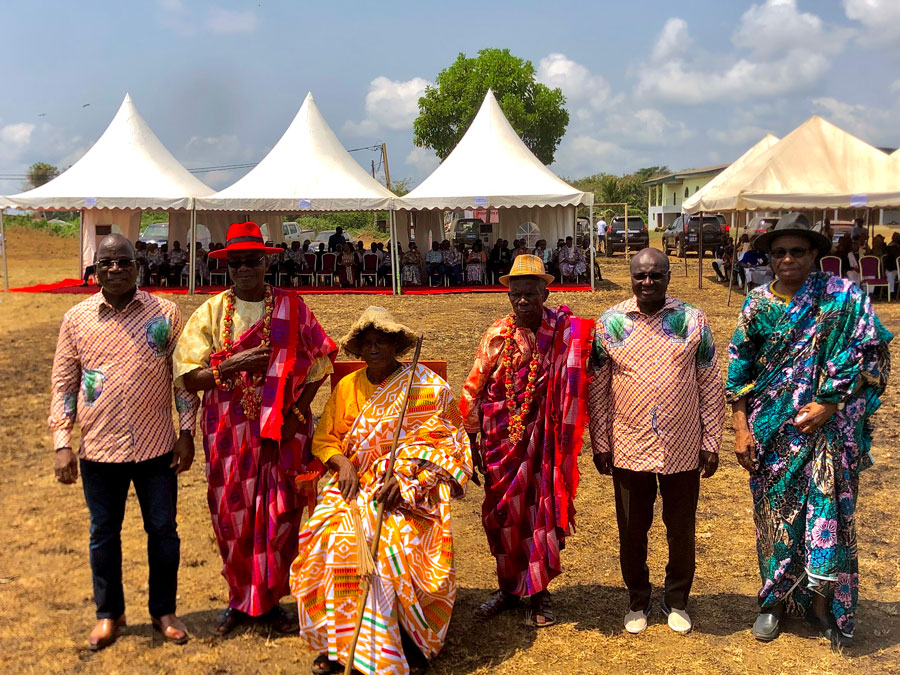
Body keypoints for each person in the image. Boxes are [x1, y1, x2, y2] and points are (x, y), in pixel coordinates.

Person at [726, 213, 892, 648]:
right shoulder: (757, 305)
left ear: (815, 254)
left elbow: (872, 355)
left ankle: (823, 605)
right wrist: (741, 430)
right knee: (776, 522)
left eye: (797, 251)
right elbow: (738, 373)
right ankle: (774, 601)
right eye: (778, 252)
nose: (787, 259)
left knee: (828, 518)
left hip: (830, 433)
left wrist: (833, 402)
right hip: (772, 434)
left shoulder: (843, 298)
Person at [172, 221, 338, 635]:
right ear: (227, 267)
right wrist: (233, 365)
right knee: (231, 515)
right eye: (237, 262)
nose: (245, 268)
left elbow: (322, 359)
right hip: (228, 433)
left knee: (283, 516)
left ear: (266, 263)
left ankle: (271, 602)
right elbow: (187, 377)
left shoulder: (291, 307)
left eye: (253, 261)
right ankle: (239, 600)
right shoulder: (210, 312)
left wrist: (297, 411)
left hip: (282, 433)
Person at [290, 307, 472, 675]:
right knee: (331, 540)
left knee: (390, 546)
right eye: (367, 343)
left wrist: (408, 480)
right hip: (353, 487)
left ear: (396, 345)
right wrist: (343, 464)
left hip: (411, 496)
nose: (374, 348)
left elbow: (453, 443)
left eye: (382, 341)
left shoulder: (427, 387)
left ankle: (403, 643)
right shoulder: (346, 388)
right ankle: (341, 647)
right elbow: (326, 440)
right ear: (358, 349)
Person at [50, 234, 198, 650]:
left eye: (123, 261)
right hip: (99, 449)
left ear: (139, 265)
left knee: (163, 531)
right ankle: (108, 613)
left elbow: (183, 379)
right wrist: (63, 441)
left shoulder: (165, 312)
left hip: (157, 449)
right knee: (103, 534)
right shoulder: (77, 319)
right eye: (106, 263)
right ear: (94, 269)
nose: (115, 269)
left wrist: (187, 433)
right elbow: (64, 384)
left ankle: (163, 611)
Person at [588, 248, 724, 635]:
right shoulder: (610, 323)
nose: (648, 283)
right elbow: (597, 387)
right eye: (640, 276)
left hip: (683, 446)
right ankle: (637, 599)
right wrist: (600, 442)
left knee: (681, 528)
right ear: (631, 277)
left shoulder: (693, 320)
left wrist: (711, 440)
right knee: (632, 529)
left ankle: (677, 598)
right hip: (628, 445)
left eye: (656, 275)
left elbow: (710, 382)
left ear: (668, 277)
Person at [460, 254, 593, 628]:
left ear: (545, 293)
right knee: (503, 516)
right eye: (515, 295)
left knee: (539, 513)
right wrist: (472, 442)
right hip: (501, 441)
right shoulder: (497, 336)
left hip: (545, 443)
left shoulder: (564, 331)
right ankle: (506, 589)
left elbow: (587, 364)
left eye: (529, 294)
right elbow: (472, 389)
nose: (521, 301)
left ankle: (538, 593)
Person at [885, 232, 900, 296]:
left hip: (898, 269)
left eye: (898, 237)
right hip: (891, 268)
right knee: (891, 275)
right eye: (895, 237)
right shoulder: (890, 248)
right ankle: (891, 293)